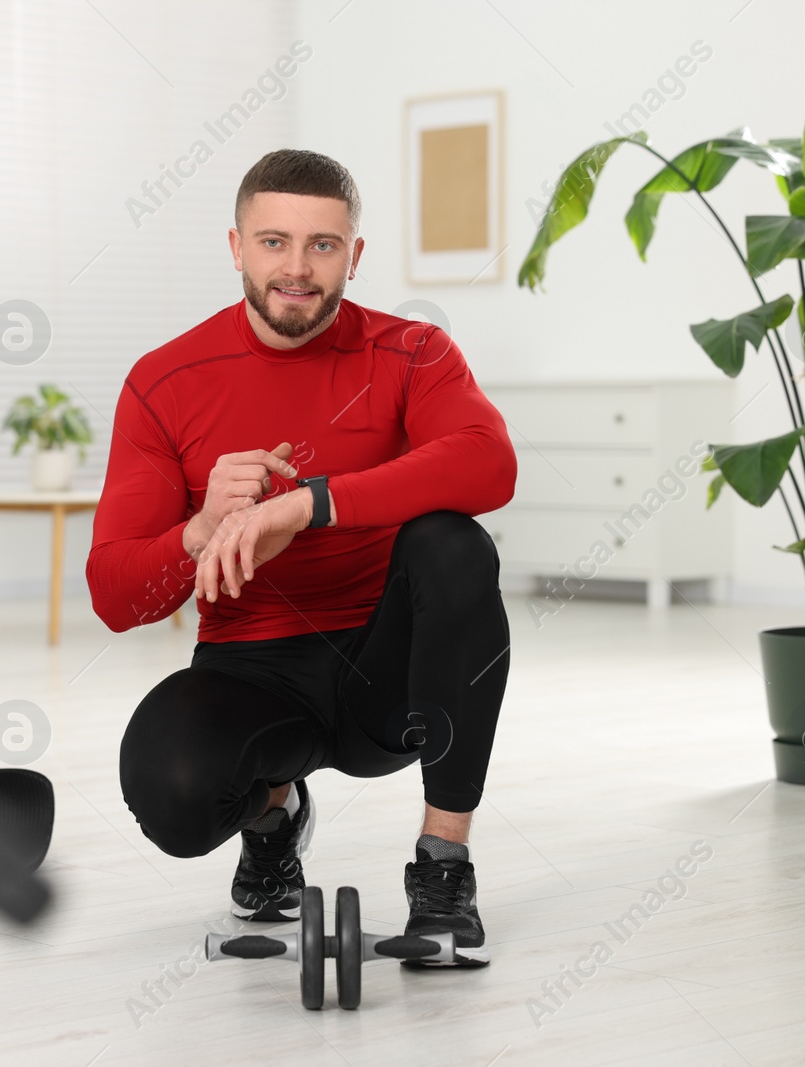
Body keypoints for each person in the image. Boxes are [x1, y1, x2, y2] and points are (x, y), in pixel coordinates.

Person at [87, 148, 515, 966]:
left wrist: (309, 502)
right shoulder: (163, 380)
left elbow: (489, 462)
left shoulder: (413, 351)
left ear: (355, 255)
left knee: (454, 542)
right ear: (236, 246)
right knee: (172, 795)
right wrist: (200, 529)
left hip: (384, 677)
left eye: (323, 245)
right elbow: (115, 595)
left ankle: (442, 868)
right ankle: (273, 818)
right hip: (252, 671)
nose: (297, 268)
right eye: (274, 242)